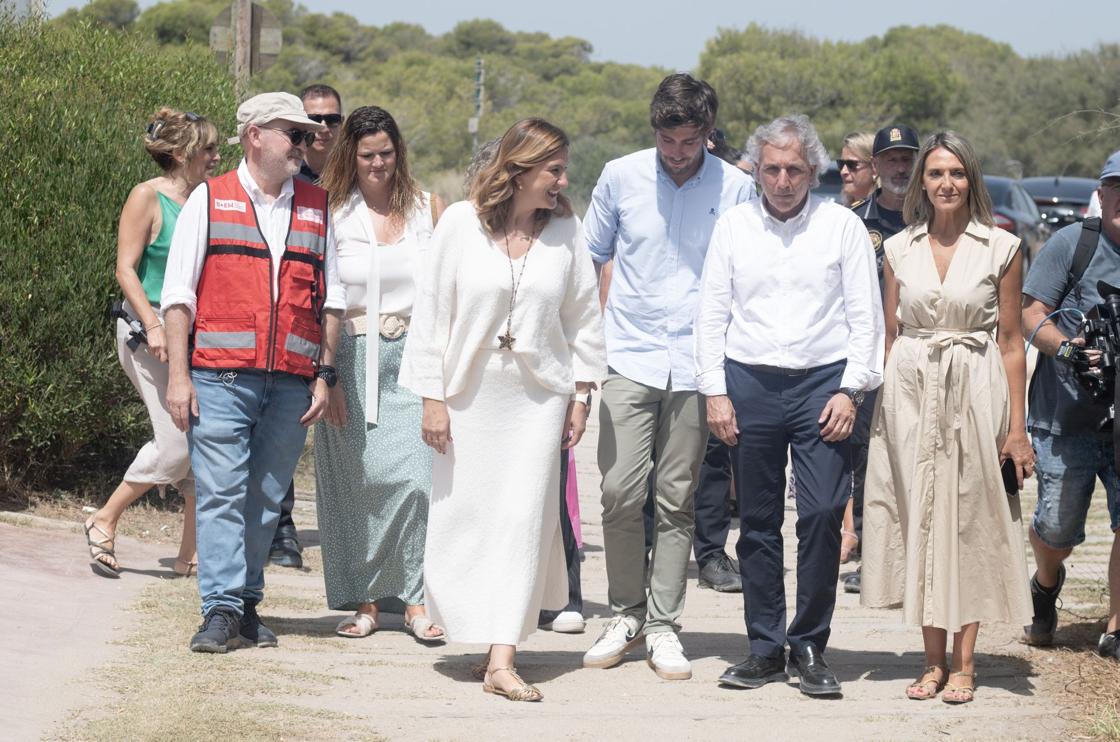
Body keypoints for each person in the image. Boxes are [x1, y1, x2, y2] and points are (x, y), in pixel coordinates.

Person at [399, 118, 605, 701]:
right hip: (469, 395)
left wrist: (582, 394)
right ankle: (485, 636)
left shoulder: (567, 229)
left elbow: (583, 316)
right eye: (554, 170)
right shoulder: (461, 224)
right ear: (518, 172)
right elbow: (432, 315)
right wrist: (432, 399)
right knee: (468, 520)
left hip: (538, 399)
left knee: (522, 521)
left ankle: (501, 659)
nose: (563, 182)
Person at [698, 114, 884, 697]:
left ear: (814, 171)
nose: (782, 180)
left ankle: (809, 643)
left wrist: (852, 391)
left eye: (795, 169)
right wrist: (715, 391)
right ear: (756, 168)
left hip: (823, 386)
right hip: (749, 382)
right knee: (755, 521)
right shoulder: (733, 226)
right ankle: (763, 646)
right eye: (772, 168)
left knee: (825, 512)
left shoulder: (841, 228)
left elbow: (867, 322)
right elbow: (710, 314)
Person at [581, 73, 755, 681]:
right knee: (620, 492)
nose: (677, 151)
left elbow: (745, 276)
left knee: (676, 497)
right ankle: (623, 613)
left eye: (689, 140)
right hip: (628, 354)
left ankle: (663, 625)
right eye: (666, 138)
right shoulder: (619, 175)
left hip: (700, 361)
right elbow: (589, 258)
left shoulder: (738, 187)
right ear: (653, 129)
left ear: (709, 133)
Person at [161, 92, 345, 653]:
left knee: (265, 498)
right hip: (218, 377)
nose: (304, 141)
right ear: (255, 136)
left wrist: (325, 375)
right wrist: (177, 376)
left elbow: (331, 300)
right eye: (292, 132)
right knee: (220, 493)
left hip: (292, 380)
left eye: (305, 132)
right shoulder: (209, 200)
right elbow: (177, 296)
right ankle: (218, 609)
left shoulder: (317, 202)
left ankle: (244, 605)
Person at [861, 131, 1034, 704]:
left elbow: (1011, 342)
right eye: (936, 174)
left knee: (969, 521)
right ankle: (930, 660)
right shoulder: (898, 249)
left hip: (976, 389)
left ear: (971, 180)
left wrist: (1016, 429)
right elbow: (889, 334)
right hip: (910, 394)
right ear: (922, 183)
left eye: (957, 173)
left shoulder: (1001, 247)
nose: (946, 184)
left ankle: (965, 663)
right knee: (921, 519)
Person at [313, 105, 446, 642]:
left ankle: (415, 601)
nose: (378, 164)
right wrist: (330, 375)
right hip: (352, 355)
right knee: (360, 484)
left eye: (386, 153)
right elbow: (324, 294)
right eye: (367, 154)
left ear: (400, 153)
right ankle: (366, 602)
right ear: (352, 156)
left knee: (417, 482)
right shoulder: (332, 212)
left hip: (414, 357)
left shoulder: (427, 207)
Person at [83, 108, 220, 579]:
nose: (217, 157)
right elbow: (125, 269)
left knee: (197, 442)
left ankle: (189, 557)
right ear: (183, 155)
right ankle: (105, 517)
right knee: (178, 443)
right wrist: (154, 325)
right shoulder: (146, 196)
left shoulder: (208, 199)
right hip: (148, 330)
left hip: (193, 331)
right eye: (209, 149)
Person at [1021, 149, 1120, 661]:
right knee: (1058, 528)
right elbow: (1030, 313)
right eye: (1117, 188)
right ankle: (1045, 584)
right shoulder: (1071, 245)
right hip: (1067, 415)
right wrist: (1068, 349)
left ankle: (1115, 628)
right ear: (1100, 196)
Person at [270, 83, 346, 569]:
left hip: (345, 315)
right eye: (310, 121)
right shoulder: (288, 175)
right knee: (286, 424)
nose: (321, 130)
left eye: (331, 119)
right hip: (295, 315)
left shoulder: (356, 175)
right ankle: (281, 529)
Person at [842, 124, 920, 593]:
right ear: (874, 167)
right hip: (869, 356)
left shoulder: (932, 220)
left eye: (907, 157)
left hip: (919, 353)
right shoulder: (853, 222)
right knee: (866, 458)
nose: (900, 167)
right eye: (890, 159)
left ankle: (916, 557)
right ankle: (873, 558)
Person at [838, 131, 876, 206]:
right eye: (841, 164)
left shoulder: (888, 213)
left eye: (851, 164)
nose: (843, 172)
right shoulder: (841, 213)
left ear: (874, 167)